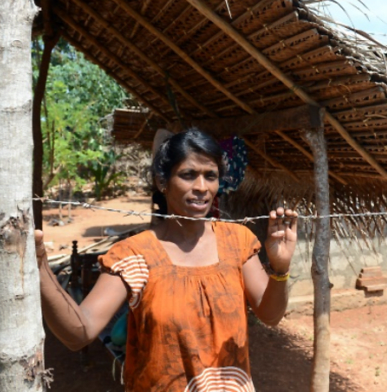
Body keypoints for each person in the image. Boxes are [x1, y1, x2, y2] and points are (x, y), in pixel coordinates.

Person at [36, 128, 298, 391]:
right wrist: (40, 268)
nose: (201, 187)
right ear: (162, 182)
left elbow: (270, 315)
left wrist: (280, 268)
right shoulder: (134, 255)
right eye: (188, 175)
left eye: (210, 176)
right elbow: (80, 332)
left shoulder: (237, 242)